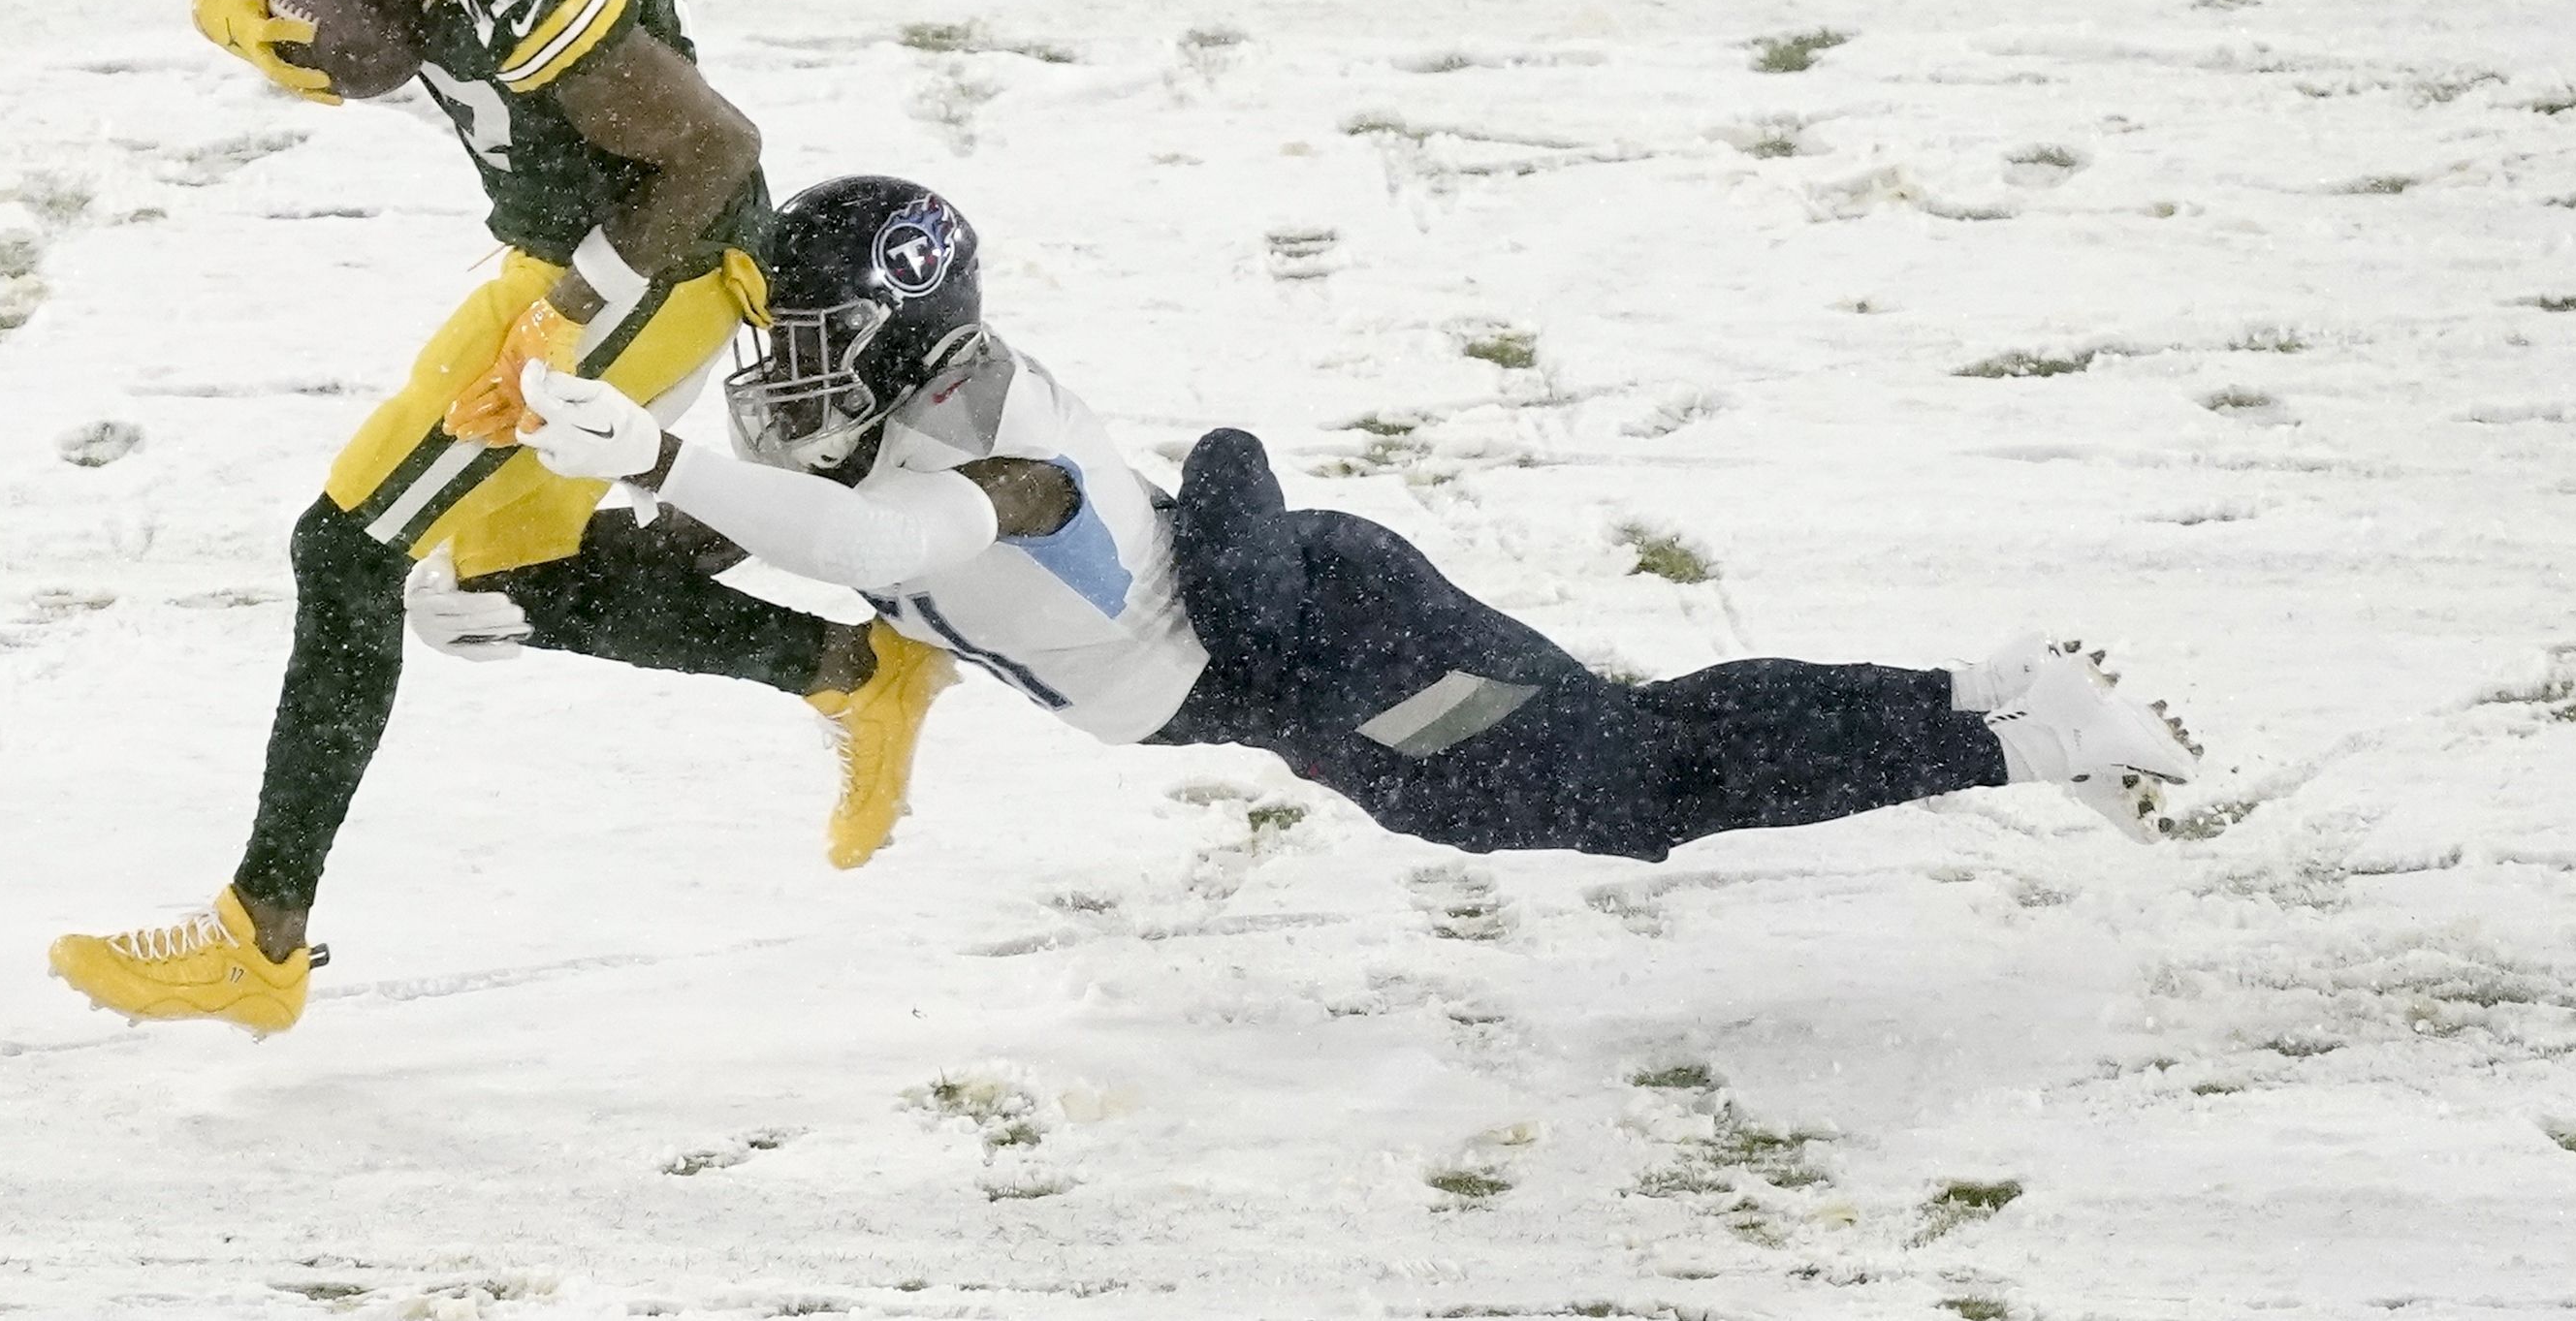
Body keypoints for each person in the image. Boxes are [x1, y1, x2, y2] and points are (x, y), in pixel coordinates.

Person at [48, 0, 954, 1035]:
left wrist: (564, 317)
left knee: (345, 549)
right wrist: (250, 8)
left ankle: (260, 938)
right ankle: (855, 668)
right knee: (521, 572)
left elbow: (711, 151)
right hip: (559, 264)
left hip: (655, 267)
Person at [506, 175, 2206, 869]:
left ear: (907, 344)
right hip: (1284, 653)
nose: (783, 386)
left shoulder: (1015, 462)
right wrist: (500, 583)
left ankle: (2015, 725)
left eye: (817, 349)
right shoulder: (890, 423)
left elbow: (877, 558)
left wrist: (651, 466)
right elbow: (765, 541)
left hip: (1321, 647)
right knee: (1626, 755)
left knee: (1635, 783)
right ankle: (1990, 701)